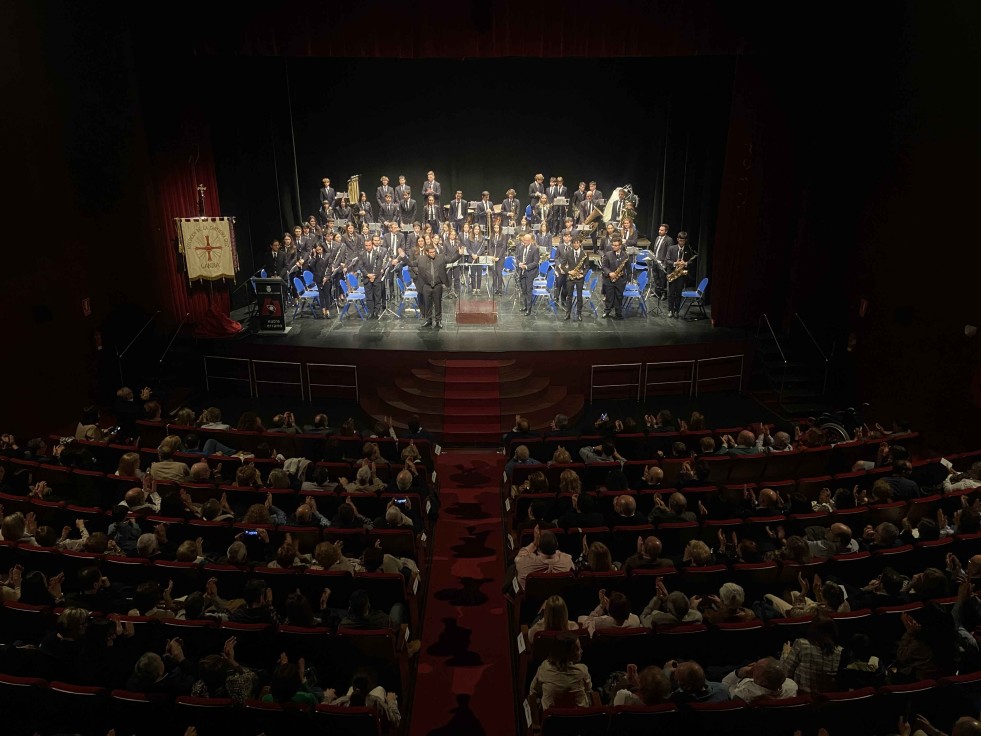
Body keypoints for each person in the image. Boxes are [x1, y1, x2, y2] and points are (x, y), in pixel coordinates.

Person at [779, 613, 843, 693]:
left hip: (802, 697)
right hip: (827, 701)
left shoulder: (801, 644)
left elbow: (784, 674)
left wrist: (785, 653)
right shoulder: (840, 651)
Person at [529, 633, 592, 709]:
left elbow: (534, 690)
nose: (581, 651)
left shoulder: (544, 667)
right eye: (577, 649)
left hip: (550, 719)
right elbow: (588, 690)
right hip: (578, 718)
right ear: (567, 653)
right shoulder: (582, 670)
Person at [413, 240, 462, 329]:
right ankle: (428, 320)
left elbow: (451, 260)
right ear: (426, 252)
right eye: (431, 252)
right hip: (426, 285)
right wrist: (402, 257)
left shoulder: (441, 257)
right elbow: (411, 264)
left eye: (434, 251)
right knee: (427, 304)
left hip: (437, 285)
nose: (433, 253)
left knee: (438, 303)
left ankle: (438, 321)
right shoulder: (421, 259)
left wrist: (459, 254)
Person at [722, 657, 799, 702]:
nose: (752, 668)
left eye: (754, 669)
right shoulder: (792, 686)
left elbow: (724, 685)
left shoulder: (744, 694)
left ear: (763, 682)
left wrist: (741, 672)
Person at [561, 236, 589, 321]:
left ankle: (579, 313)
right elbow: (562, 265)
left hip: (579, 278)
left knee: (579, 296)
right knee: (569, 296)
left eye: (577, 243)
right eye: (574, 243)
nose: (576, 244)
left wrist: (583, 274)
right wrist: (569, 272)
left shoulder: (584, 254)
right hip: (570, 277)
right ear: (572, 244)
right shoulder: (568, 253)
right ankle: (568, 313)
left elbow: (587, 267)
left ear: (580, 243)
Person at [601, 236, 629, 319]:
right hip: (609, 279)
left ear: (620, 246)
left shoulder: (625, 255)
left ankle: (618, 313)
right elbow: (603, 267)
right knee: (609, 297)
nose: (614, 247)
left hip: (620, 280)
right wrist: (610, 273)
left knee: (619, 297)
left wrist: (629, 279)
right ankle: (607, 311)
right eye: (613, 245)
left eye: (616, 245)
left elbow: (628, 268)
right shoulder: (608, 254)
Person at [665, 230, 690, 318]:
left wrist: (685, 263)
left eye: (683, 240)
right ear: (677, 239)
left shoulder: (688, 249)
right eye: (680, 240)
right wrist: (675, 263)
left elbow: (692, 262)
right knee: (671, 293)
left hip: (681, 275)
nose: (681, 242)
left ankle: (676, 311)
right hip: (673, 273)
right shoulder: (672, 248)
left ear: (685, 240)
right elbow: (667, 260)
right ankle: (670, 310)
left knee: (678, 293)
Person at [515, 232, 540, 315]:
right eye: (524, 240)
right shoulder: (521, 247)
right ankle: (525, 306)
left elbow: (535, 262)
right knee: (524, 290)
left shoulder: (535, 249)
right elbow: (517, 257)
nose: (524, 242)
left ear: (530, 241)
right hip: (522, 272)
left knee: (529, 290)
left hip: (530, 272)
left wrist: (526, 266)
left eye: (526, 240)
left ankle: (529, 309)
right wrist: (519, 264)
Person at [651, 223, 674, 299]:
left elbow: (669, 252)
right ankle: (657, 292)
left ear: (666, 231)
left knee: (662, 279)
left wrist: (665, 263)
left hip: (662, 263)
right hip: (656, 261)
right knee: (656, 277)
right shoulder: (657, 238)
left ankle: (663, 293)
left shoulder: (669, 240)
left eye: (662, 230)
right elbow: (656, 249)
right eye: (659, 230)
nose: (660, 231)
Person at [488, 220, 508, 295]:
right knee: (494, 272)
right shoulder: (492, 236)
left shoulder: (503, 236)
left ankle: (500, 289)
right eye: (495, 228)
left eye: (497, 228)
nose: (496, 229)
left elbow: (503, 247)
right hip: (493, 257)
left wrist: (498, 257)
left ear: (499, 228)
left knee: (499, 272)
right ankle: (495, 288)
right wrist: (492, 255)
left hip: (500, 257)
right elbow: (489, 246)